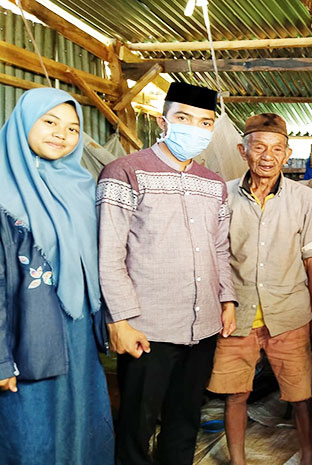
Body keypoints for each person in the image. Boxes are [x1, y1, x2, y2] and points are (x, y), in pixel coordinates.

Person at [98, 82, 237, 465]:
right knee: (137, 427)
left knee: (185, 420)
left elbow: (220, 248)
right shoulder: (124, 172)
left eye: (205, 122)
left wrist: (227, 299)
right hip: (147, 328)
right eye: (184, 118)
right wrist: (120, 321)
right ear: (163, 122)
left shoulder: (213, 184)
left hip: (203, 324)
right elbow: (109, 253)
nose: (195, 128)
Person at [0, 88, 113, 464]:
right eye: (49, 122)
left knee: (80, 425)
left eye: (72, 128)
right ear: (23, 122)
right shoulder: (4, 189)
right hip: (25, 336)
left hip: (78, 332)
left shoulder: (80, 186)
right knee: (30, 434)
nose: (61, 134)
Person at [207, 113, 312, 465]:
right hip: (235, 314)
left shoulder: (304, 199)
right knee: (235, 394)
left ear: (287, 154)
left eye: (276, 149)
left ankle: (308, 457)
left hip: (289, 314)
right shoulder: (222, 195)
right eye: (258, 147)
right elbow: (216, 254)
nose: (267, 156)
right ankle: (238, 462)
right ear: (242, 151)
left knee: (300, 395)